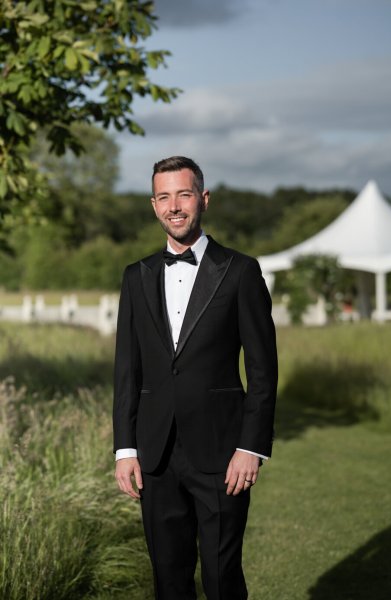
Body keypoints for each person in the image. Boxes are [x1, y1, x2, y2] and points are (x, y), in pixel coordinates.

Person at [113, 156, 278, 600]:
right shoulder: (136, 277)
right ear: (153, 205)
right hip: (155, 455)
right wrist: (125, 449)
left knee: (222, 578)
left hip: (224, 453)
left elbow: (263, 371)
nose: (175, 206)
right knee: (168, 578)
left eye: (184, 194)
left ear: (203, 199)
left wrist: (251, 447)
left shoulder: (241, 271)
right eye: (164, 197)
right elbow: (127, 371)